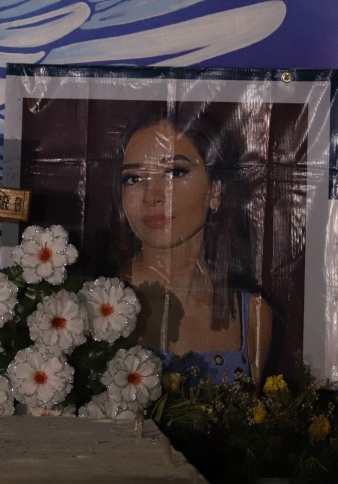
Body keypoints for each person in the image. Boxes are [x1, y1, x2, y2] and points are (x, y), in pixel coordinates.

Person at [115, 108, 272, 383]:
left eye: (175, 172)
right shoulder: (91, 306)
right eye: (134, 178)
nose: (152, 196)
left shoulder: (254, 317)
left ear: (215, 190)